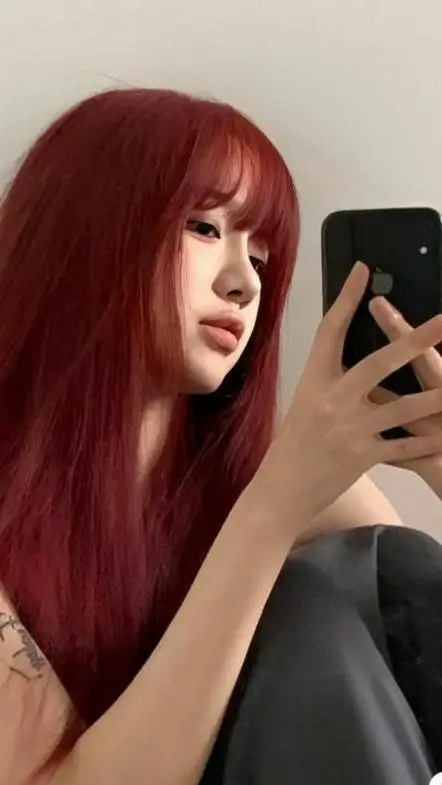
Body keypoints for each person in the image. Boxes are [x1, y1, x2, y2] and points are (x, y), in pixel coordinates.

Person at [1, 87, 442, 785]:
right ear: (80, 233)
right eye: (204, 228)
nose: (244, 284)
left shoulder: (268, 474)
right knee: (300, 605)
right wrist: (268, 514)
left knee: (394, 565)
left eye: (261, 258)